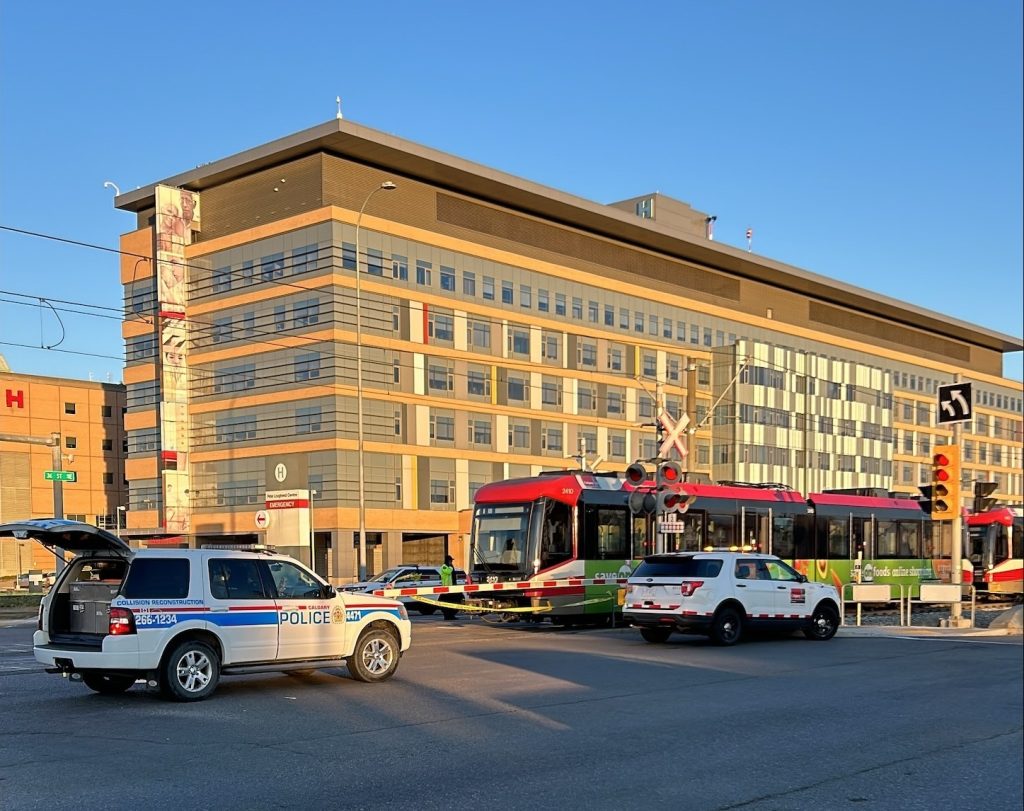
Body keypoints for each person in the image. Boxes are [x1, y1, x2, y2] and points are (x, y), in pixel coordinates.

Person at [439, 554, 461, 620]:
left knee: (453, 601)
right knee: (446, 602)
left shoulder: (450, 567)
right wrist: (451, 567)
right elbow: (448, 572)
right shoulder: (444, 567)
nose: (451, 562)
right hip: (446, 588)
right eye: (450, 561)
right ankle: (447, 616)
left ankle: (451, 615)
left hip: (451, 588)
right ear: (448, 561)